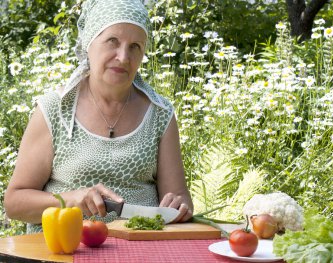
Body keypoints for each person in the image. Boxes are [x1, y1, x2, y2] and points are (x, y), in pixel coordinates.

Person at [4, 0, 193, 233]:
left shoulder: (160, 114)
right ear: (88, 43)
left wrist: (180, 206)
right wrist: (71, 201)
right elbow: (14, 203)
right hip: (64, 250)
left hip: (141, 249)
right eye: (112, 41)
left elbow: (180, 198)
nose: (123, 57)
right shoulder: (55, 110)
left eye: (135, 46)